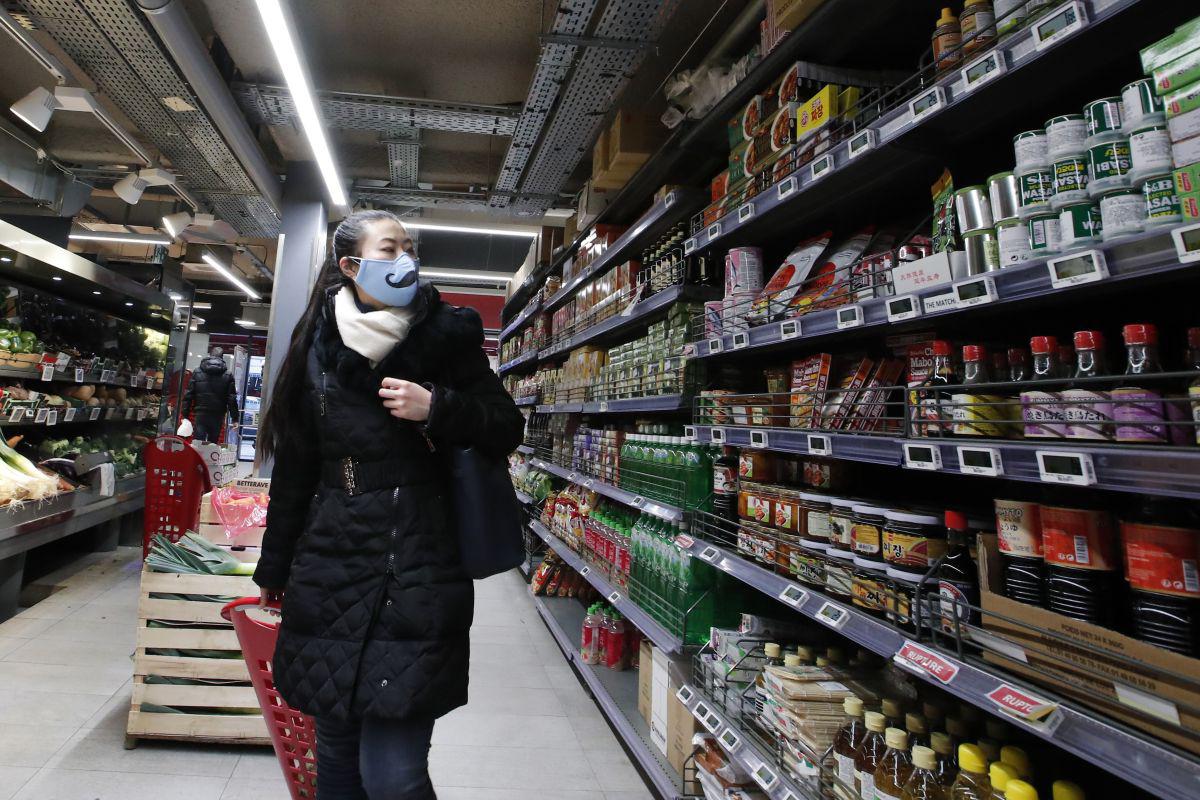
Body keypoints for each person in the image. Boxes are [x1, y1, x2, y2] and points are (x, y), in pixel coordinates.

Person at [254, 209, 524, 799]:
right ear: (350, 266)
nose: (404, 259)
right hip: (330, 563)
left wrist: (440, 408)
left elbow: (506, 426)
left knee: (395, 776)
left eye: (408, 247)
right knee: (338, 768)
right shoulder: (315, 342)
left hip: (419, 563)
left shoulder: (449, 334)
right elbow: (296, 471)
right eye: (389, 249)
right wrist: (274, 569)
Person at [181, 347, 239, 442]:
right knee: (213, 446)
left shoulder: (197, 372)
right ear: (222, 357)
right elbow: (231, 399)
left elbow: (189, 394)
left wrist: (185, 414)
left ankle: (197, 457)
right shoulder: (228, 375)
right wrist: (235, 418)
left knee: (198, 444)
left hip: (200, 414)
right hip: (218, 415)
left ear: (210, 355)